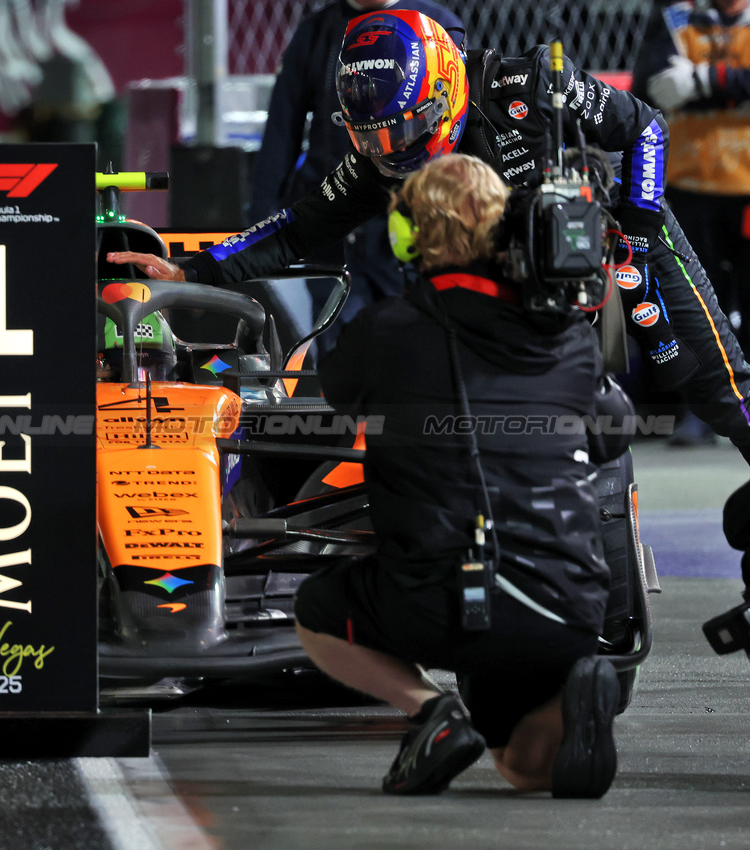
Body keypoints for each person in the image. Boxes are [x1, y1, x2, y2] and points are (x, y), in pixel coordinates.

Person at [110, 9, 750, 464]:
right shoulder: (381, 156)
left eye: (401, 128)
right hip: (509, 302)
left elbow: (645, 128)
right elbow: (298, 226)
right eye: (371, 136)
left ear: (444, 87)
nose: (391, 149)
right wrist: (194, 271)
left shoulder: (528, 85)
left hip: (614, 244)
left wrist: (638, 226)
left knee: (722, 390)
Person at [292, 153, 633, 796]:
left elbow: (336, 394)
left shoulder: (387, 330)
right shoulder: (567, 334)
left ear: (407, 235)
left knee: (317, 609)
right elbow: (614, 435)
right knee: (521, 770)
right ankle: (573, 690)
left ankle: (430, 709)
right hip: (566, 606)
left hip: (441, 601)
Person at [248, 0, 464, 349]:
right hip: (334, 225)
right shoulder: (316, 32)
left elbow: (460, 127)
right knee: (339, 349)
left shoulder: (436, 26)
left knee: (417, 342)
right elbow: (281, 132)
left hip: (412, 224)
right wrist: (260, 219)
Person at [635, 0, 750, 446]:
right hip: (689, 182)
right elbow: (651, 84)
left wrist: (702, 80)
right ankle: (700, 412)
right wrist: (731, 84)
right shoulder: (673, 16)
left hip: (746, 184)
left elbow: (684, 84)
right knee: (696, 307)